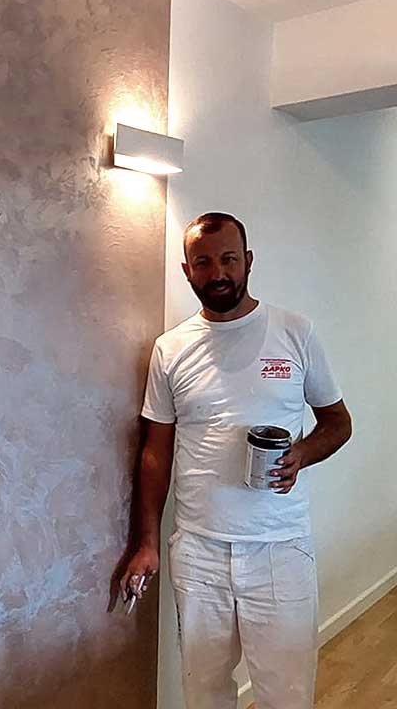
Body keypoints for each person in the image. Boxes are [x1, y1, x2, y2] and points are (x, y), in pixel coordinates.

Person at [118, 212, 353, 709]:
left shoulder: (295, 332)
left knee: (286, 696)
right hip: (199, 550)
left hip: (280, 547)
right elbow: (156, 452)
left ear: (247, 260)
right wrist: (147, 542)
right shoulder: (170, 349)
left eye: (228, 259)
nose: (218, 272)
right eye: (203, 262)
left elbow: (338, 422)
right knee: (204, 693)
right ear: (188, 271)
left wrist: (301, 454)